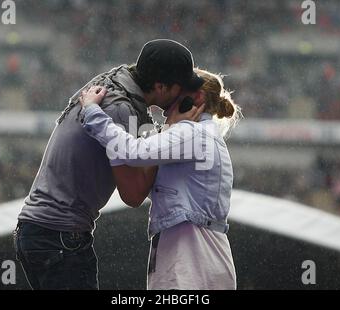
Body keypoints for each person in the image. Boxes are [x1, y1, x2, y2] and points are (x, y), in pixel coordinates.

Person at [13, 39, 205, 290]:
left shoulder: (113, 82)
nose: (183, 96)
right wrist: (170, 135)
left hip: (43, 232)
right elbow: (133, 195)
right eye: (180, 88)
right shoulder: (121, 109)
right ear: (160, 86)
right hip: (60, 236)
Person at [79, 68, 242, 290]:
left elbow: (133, 152)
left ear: (197, 99)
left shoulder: (192, 133)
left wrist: (91, 112)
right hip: (205, 253)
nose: (165, 112)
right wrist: (167, 129)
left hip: (189, 256)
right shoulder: (203, 135)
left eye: (173, 100)